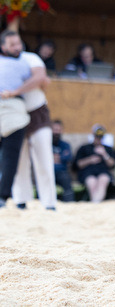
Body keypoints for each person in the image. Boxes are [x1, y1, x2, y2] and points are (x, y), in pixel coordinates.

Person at [4, 30, 58, 210]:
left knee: (44, 157)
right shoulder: (3, 64)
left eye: (18, 43)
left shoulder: (30, 58)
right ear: (3, 46)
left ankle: (49, 203)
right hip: (15, 115)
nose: (17, 47)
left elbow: (40, 77)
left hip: (37, 113)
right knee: (19, 161)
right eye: (12, 45)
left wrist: (15, 92)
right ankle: (21, 200)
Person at [73, 124, 115, 203]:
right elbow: (77, 164)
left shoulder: (107, 149)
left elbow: (112, 165)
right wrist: (90, 160)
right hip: (88, 173)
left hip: (103, 172)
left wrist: (104, 154)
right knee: (92, 182)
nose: (98, 139)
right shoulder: (84, 147)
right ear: (93, 135)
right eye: (97, 136)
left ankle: (94, 204)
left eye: (100, 137)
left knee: (103, 180)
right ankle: (96, 204)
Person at [51, 119, 75, 202]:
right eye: (55, 130)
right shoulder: (46, 143)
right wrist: (59, 158)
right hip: (48, 171)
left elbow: (68, 158)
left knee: (66, 180)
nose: (56, 132)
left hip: (61, 172)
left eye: (59, 130)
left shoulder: (65, 144)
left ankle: (69, 204)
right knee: (44, 180)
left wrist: (54, 158)